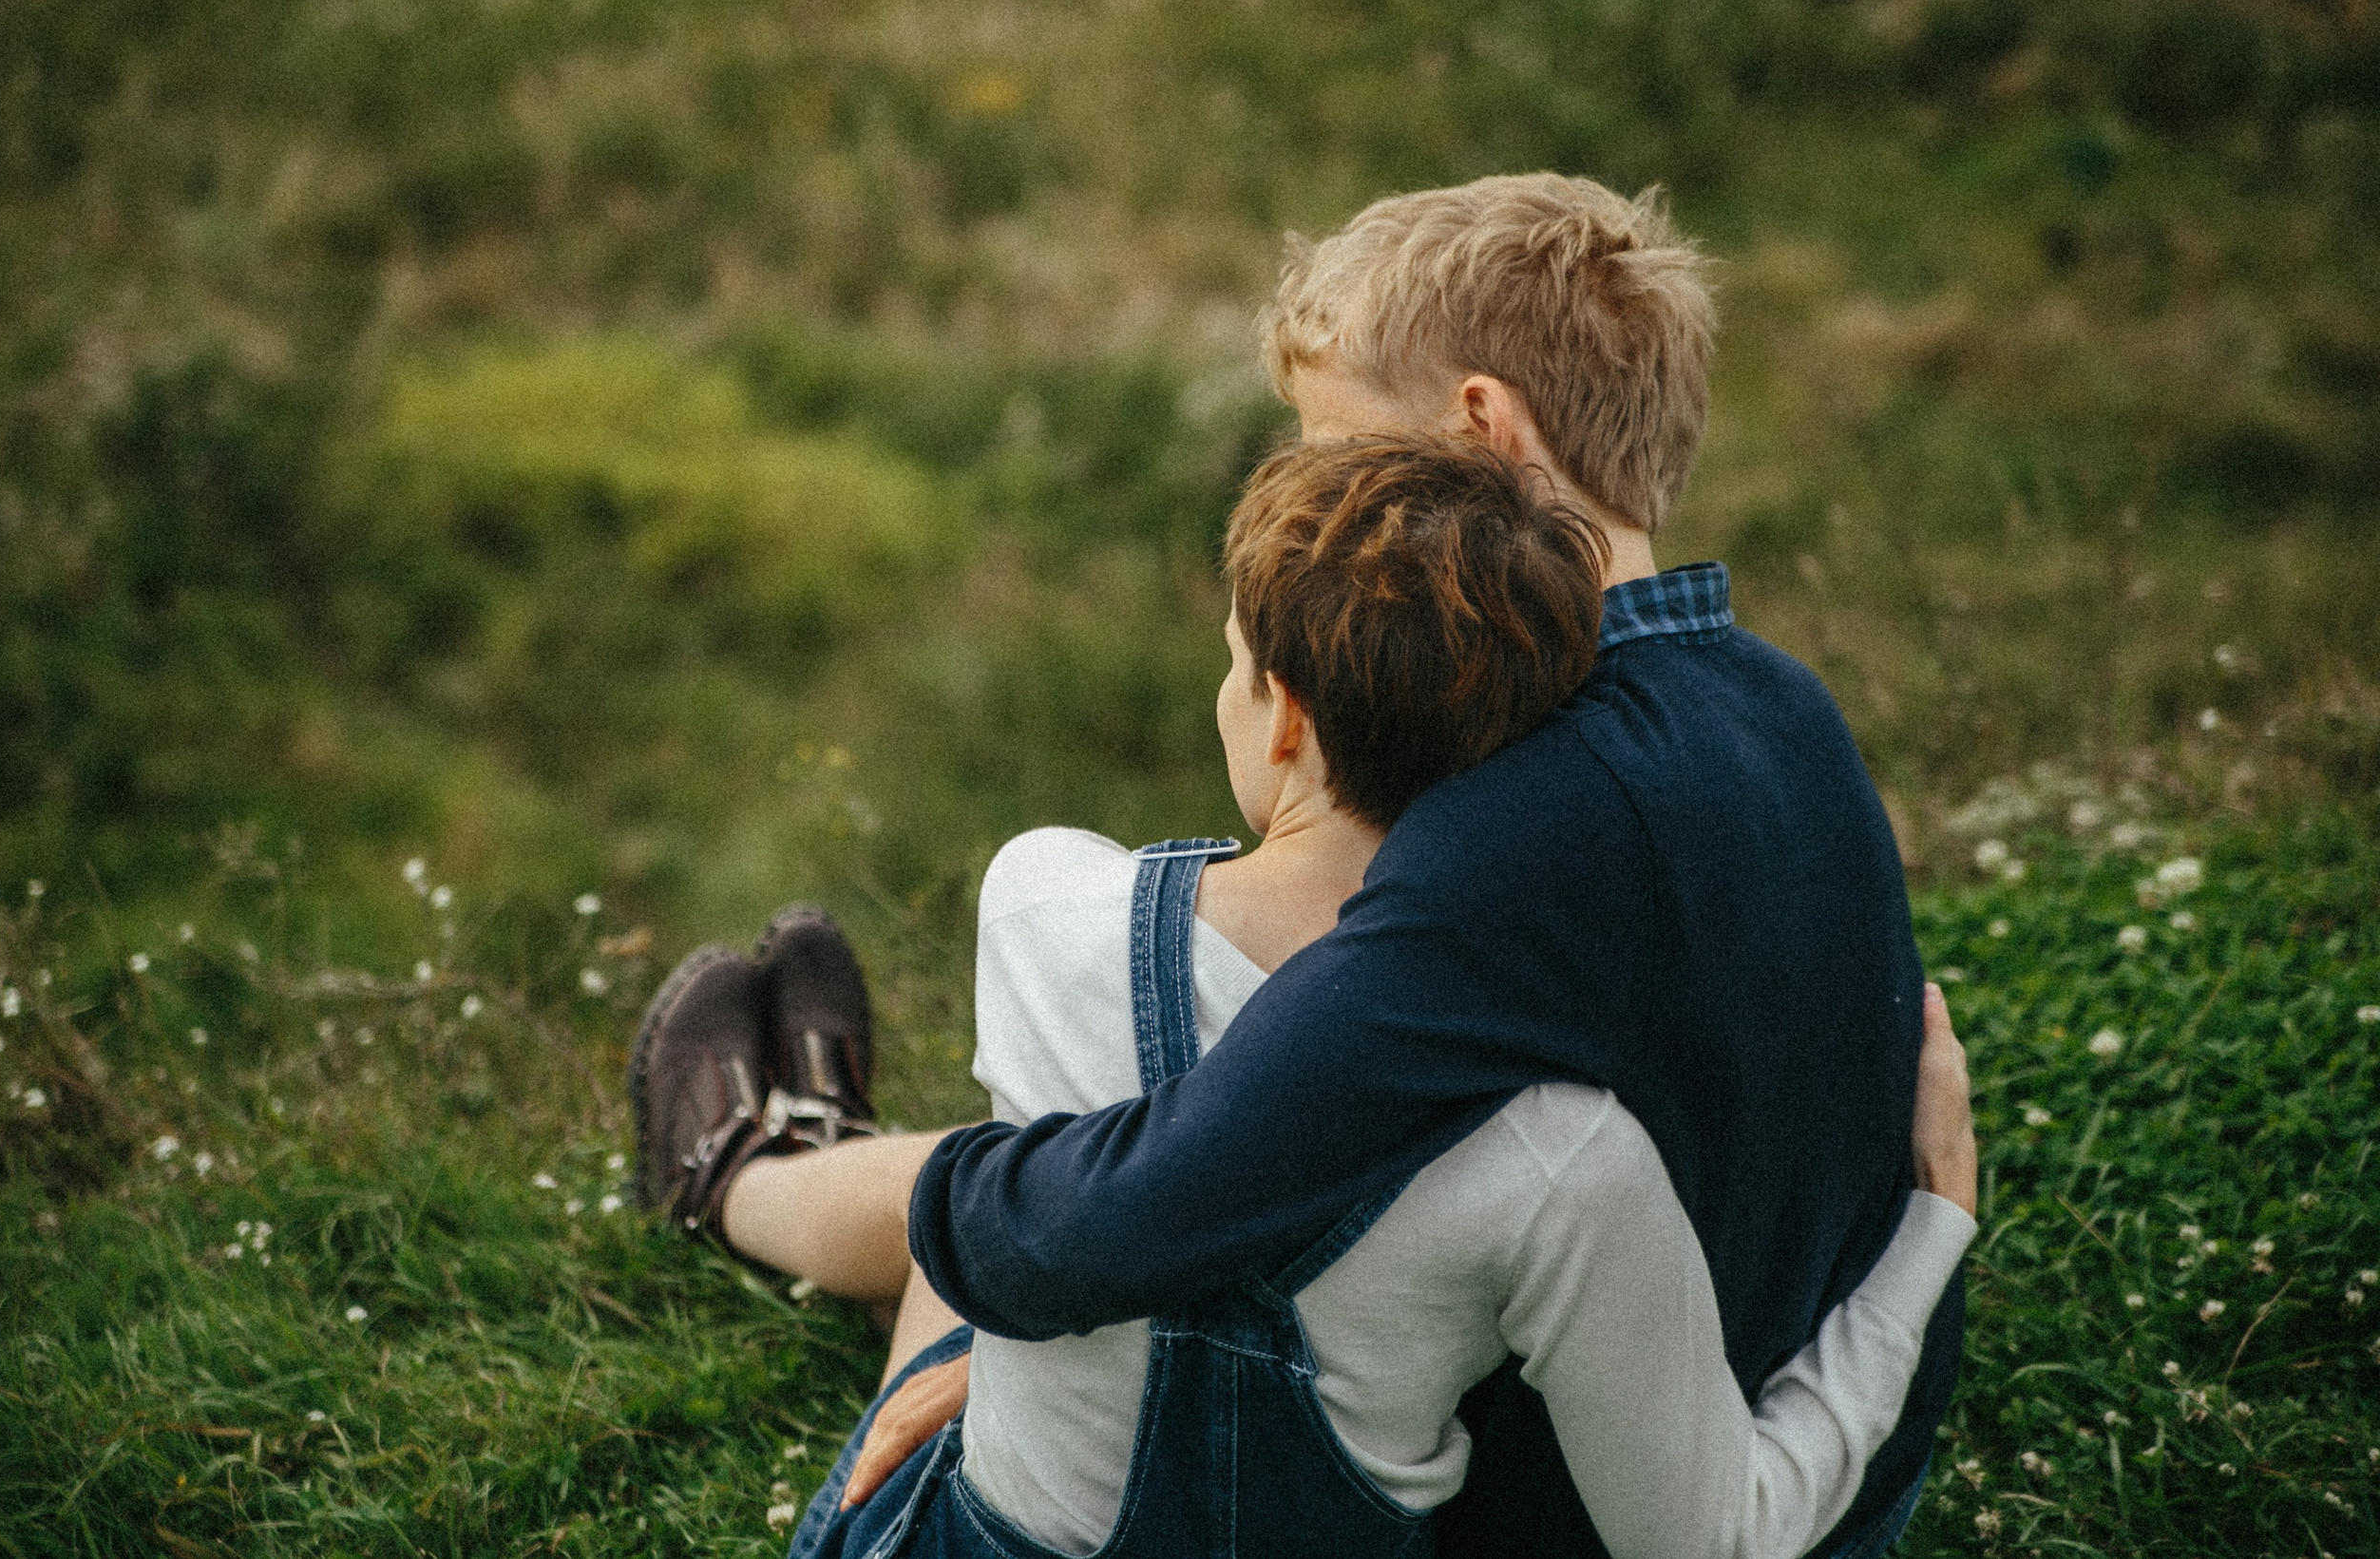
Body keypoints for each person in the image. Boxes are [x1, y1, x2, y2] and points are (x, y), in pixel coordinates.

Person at [631, 432, 1979, 1559]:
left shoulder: (1050, 903)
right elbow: (1714, 1542)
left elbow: (1091, 1217)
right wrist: (1923, 1242)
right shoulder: (1576, 1157)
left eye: (1235, 661)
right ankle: (774, 1156)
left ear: (1281, 715)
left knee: (970, 1230)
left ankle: (746, 1162)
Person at [902, 174, 1965, 1557]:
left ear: (1482, 427)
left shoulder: (1523, 820)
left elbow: (1152, 1201)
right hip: (1859, 1445)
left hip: (1662, 1503)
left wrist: (959, 1215)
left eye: (1333, 454)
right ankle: (760, 1150)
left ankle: (752, 1152)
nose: (1315, 500)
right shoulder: (1782, 702)